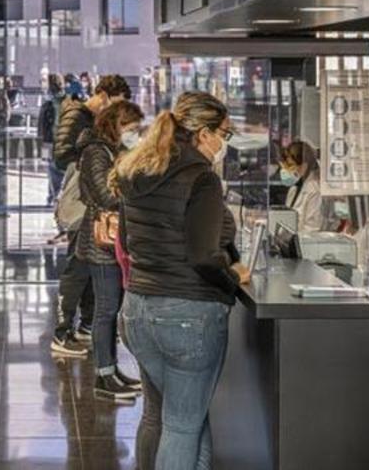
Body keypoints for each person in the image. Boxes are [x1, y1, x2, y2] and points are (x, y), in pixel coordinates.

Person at [114, 91, 250, 469]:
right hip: (188, 314)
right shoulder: (201, 178)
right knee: (182, 425)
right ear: (203, 134)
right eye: (224, 132)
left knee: (181, 417)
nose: (225, 142)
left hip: (137, 310)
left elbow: (125, 242)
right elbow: (205, 256)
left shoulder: (137, 169)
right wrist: (232, 279)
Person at [51, 74, 132, 357]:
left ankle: (85, 326)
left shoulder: (92, 125)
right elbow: (60, 156)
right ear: (103, 95)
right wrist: (91, 159)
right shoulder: (78, 117)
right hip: (82, 204)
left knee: (86, 266)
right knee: (77, 266)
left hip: (90, 205)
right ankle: (62, 332)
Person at [76, 101, 144, 401]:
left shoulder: (111, 151)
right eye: (130, 128)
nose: (134, 133)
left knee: (110, 309)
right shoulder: (95, 152)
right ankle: (104, 376)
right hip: (102, 242)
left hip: (113, 241)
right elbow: (106, 195)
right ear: (115, 125)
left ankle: (111, 370)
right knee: (106, 309)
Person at [279, 141, 323, 232]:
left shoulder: (315, 190)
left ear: (304, 166)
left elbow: (311, 229)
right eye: (285, 166)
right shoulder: (295, 188)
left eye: (290, 165)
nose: (286, 170)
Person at [38, 73, 66, 206]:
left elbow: (42, 129)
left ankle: (55, 197)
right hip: (49, 142)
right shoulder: (48, 104)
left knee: (54, 169)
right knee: (51, 168)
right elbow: (42, 129)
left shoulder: (64, 103)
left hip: (58, 142)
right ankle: (52, 196)